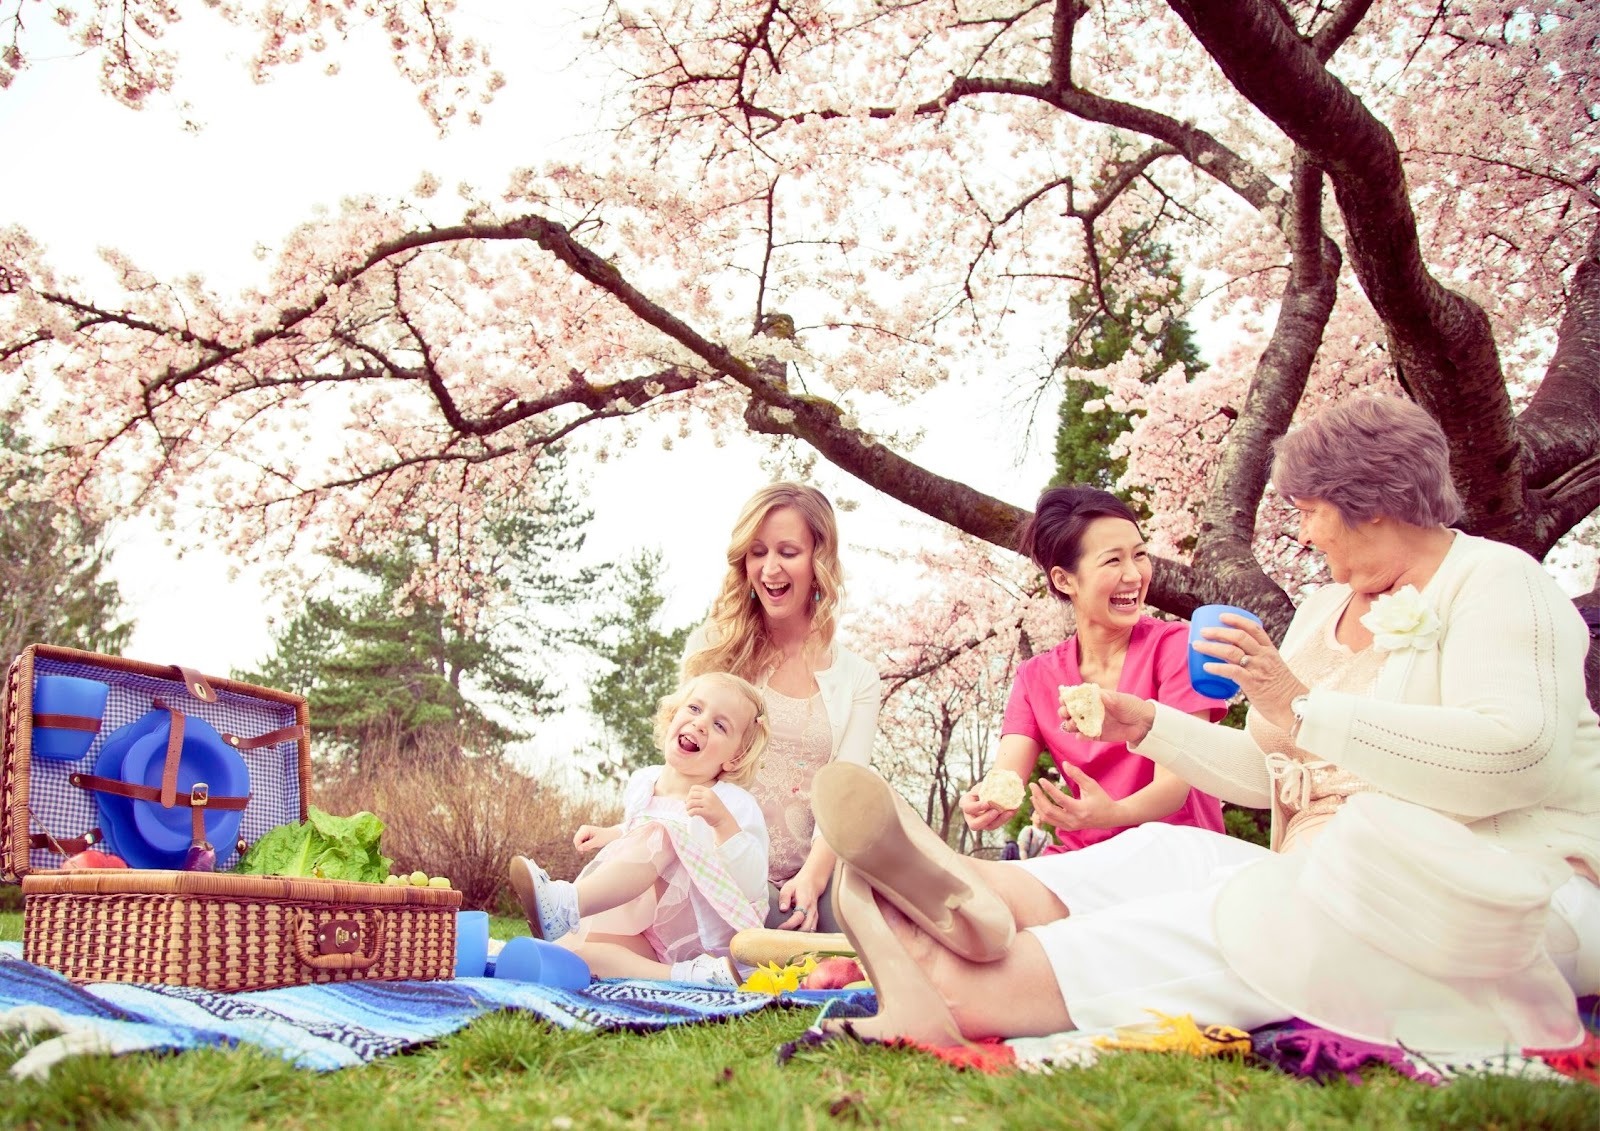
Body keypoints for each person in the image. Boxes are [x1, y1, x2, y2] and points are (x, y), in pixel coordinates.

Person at [812, 396, 1600, 1054]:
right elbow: (1268, 770)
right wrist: (1148, 723)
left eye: (1313, 513)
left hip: (1505, 889)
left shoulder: (1498, 580)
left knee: (1269, 913)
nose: (1306, 534)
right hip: (1320, 866)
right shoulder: (1327, 608)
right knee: (1165, 852)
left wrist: (1304, 708)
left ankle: (971, 985)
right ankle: (972, 897)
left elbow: (1516, 754)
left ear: (1376, 503)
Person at [963, 486, 1228, 853]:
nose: (1135, 575)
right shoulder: (1035, 676)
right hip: (1081, 856)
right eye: (1113, 561)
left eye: (1139, 555)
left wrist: (1109, 814)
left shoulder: (1177, 647)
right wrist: (987, 802)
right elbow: (1006, 774)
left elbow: (1174, 789)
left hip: (1177, 850)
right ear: (1064, 579)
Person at [682, 482, 881, 934]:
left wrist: (811, 878)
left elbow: (845, 793)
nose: (769, 568)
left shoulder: (858, 679)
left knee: (876, 934)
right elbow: (684, 763)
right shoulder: (713, 651)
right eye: (756, 552)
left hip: (814, 876)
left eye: (787, 551)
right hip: (718, 860)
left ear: (819, 559)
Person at [508, 672, 771, 988]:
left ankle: (568, 904)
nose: (701, 724)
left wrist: (724, 826)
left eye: (719, 725)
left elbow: (752, 884)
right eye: (694, 709)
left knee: (661, 833)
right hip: (652, 936)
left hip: (698, 933)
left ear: (736, 757)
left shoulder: (731, 802)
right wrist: (615, 834)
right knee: (574, 951)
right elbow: (640, 832)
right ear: (673, 715)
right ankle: (692, 978)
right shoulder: (644, 782)